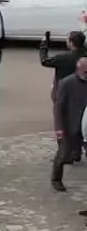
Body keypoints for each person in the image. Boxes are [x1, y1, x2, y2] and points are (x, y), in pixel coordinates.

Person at [52, 57, 87, 191]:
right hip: (70, 125)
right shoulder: (66, 83)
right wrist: (59, 127)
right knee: (63, 154)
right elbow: (59, 107)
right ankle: (56, 179)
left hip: (85, 127)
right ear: (79, 70)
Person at [41, 30, 87, 101]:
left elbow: (44, 61)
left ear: (71, 43)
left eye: (67, 39)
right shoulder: (84, 56)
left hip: (62, 92)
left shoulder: (62, 58)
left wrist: (44, 44)